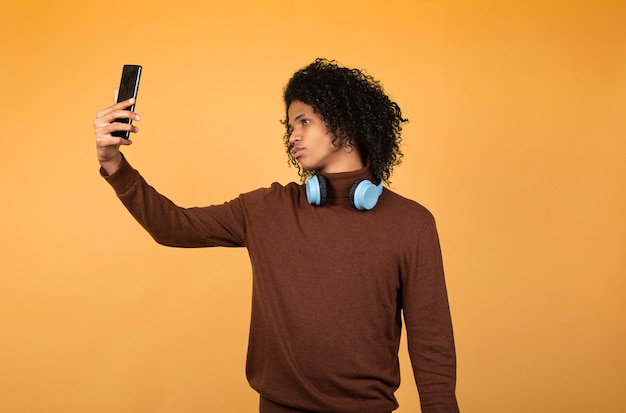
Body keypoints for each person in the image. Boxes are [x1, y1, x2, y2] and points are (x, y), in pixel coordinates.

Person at [93, 58, 459, 413]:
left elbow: (432, 345)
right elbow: (172, 226)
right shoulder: (267, 209)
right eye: (290, 126)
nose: (293, 136)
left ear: (345, 123)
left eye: (304, 121)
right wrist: (113, 162)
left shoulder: (412, 224)